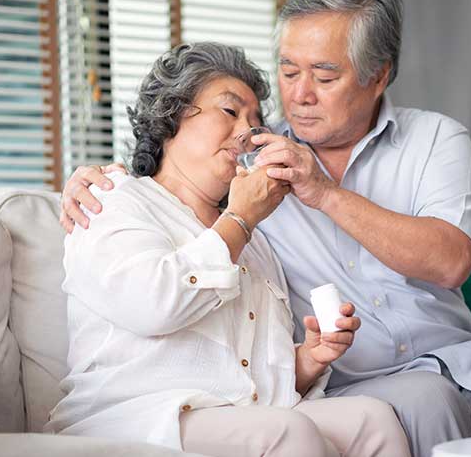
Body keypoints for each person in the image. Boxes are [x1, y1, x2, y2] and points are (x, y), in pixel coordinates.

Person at [60, 0, 471, 457]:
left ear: (378, 76)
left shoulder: (434, 140)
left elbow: (450, 264)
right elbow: (175, 162)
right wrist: (91, 177)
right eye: (287, 71)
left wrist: (323, 193)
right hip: (354, 379)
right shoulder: (252, 161)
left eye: (324, 77)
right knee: (423, 399)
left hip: (457, 359)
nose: (298, 97)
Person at [46, 42, 410, 457]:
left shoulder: (254, 245)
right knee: (286, 432)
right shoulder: (111, 199)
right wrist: (238, 219)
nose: (248, 133)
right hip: (141, 415)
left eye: (255, 122)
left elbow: (253, 379)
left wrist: (309, 358)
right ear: (174, 112)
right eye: (230, 111)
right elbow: (154, 304)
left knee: (372, 419)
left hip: (243, 415)